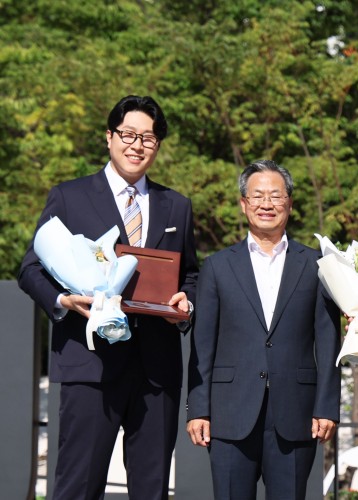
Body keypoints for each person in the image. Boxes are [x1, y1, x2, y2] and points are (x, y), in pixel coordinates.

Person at [18, 95, 198, 499]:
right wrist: (63, 301)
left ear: (157, 145)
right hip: (90, 365)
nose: (137, 145)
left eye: (148, 138)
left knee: (152, 490)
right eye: (128, 135)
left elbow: (190, 274)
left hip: (156, 371)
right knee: (78, 487)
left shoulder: (177, 206)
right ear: (109, 137)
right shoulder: (70, 196)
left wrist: (186, 303)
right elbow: (30, 269)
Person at [186, 160, 340, 500]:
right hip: (229, 412)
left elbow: (329, 339)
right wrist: (198, 408)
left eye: (275, 195)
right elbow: (203, 344)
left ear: (289, 203)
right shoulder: (217, 266)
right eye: (257, 196)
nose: (266, 204)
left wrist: (327, 405)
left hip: (296, 412)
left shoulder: (317, 265)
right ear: (244, 203)